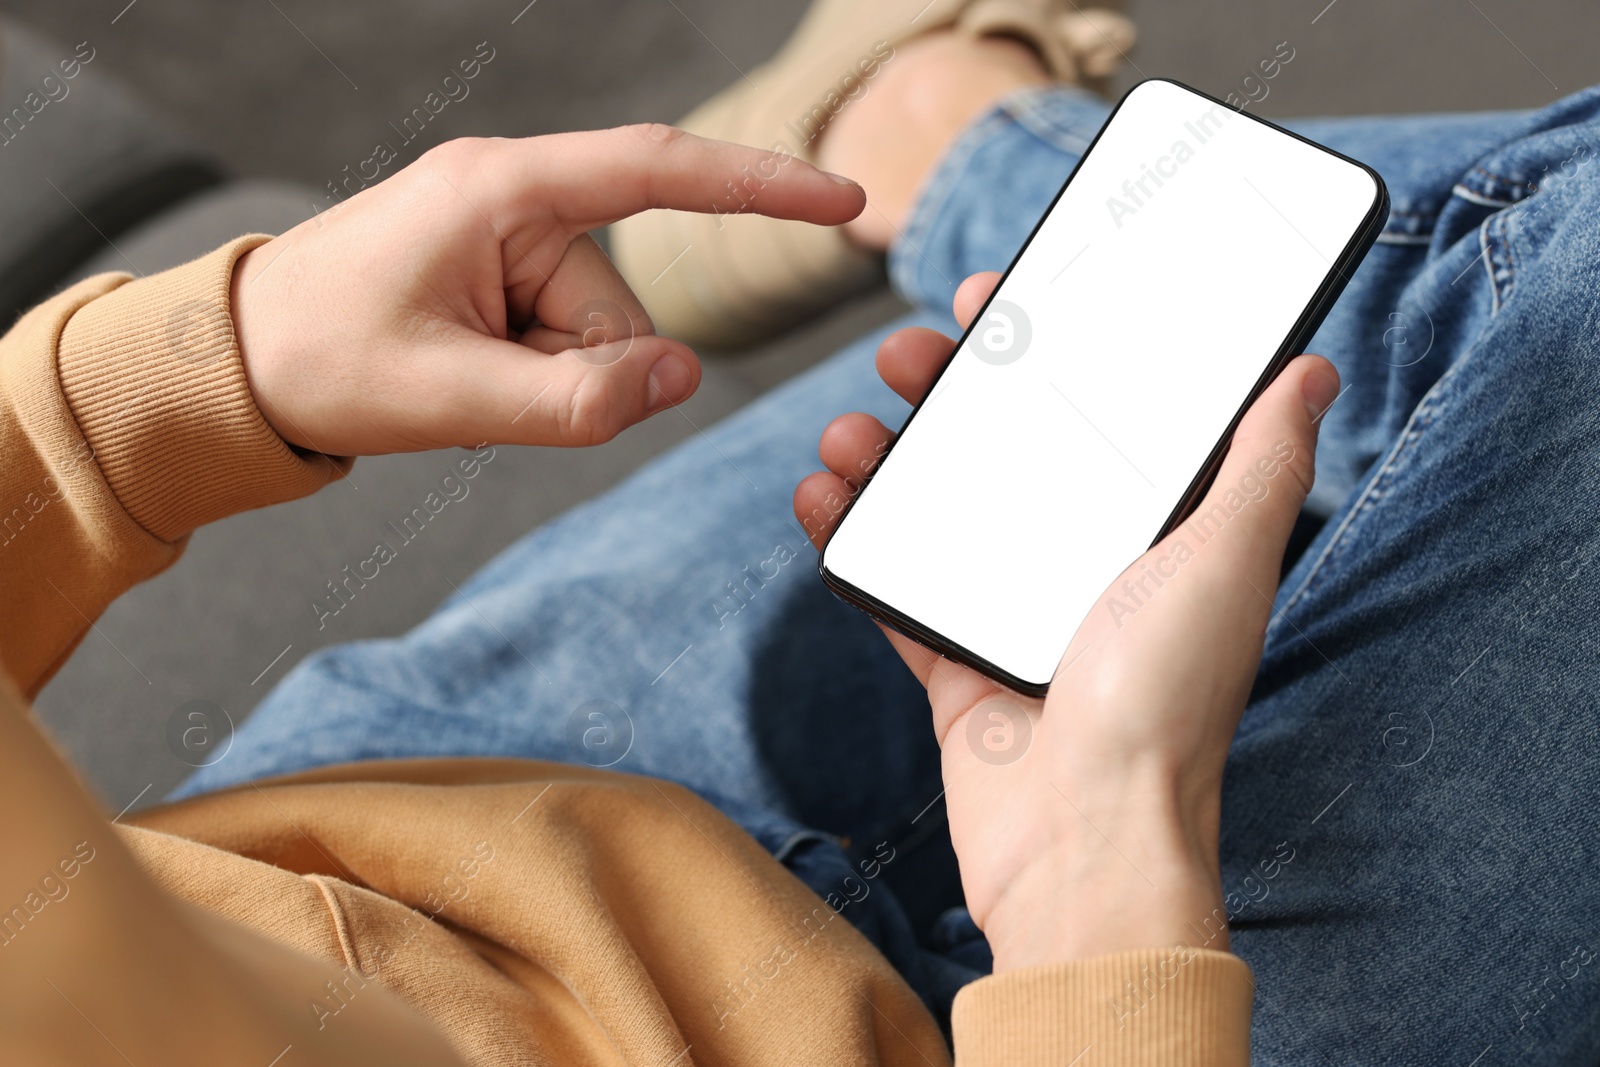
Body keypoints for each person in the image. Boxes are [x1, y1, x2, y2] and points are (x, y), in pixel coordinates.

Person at [4, 1, 1599, 1065]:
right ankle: (964, 152)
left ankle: (957, 158)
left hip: (441, 843)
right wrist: (1097, 907)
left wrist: (180, 382)